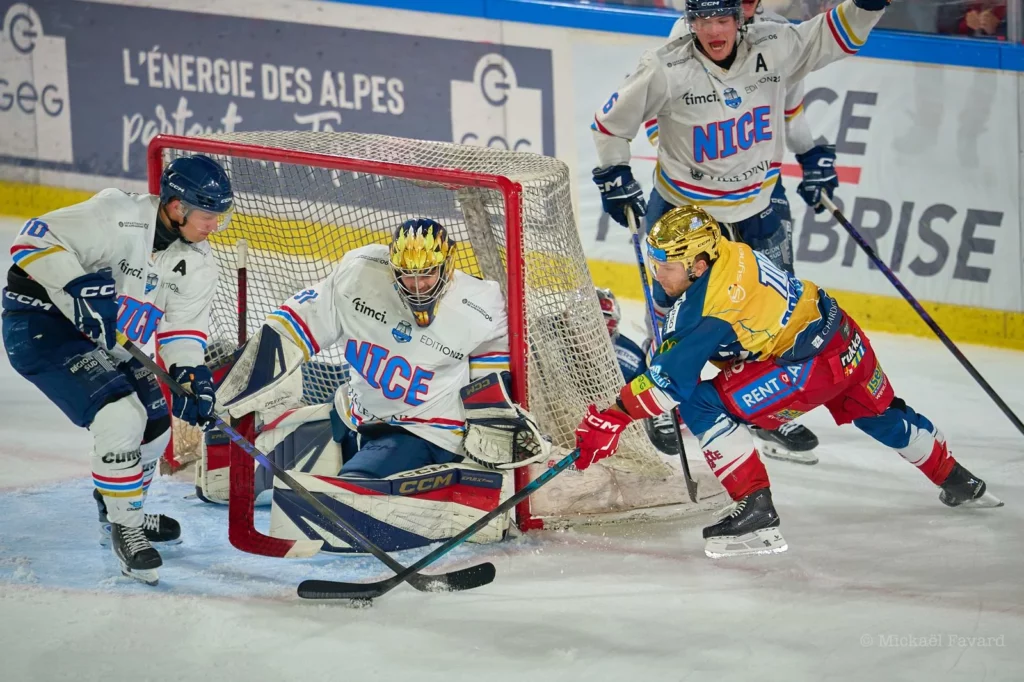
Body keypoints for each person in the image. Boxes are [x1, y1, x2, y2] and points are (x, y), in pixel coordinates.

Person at [573, 206, 1003, 559]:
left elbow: (669, 387)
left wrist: (612, 417)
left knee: (701, 405)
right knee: (882, 415)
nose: (657, 275)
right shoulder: (729, 248)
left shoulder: (706, 305)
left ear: (699, 264)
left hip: (805, 367)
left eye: (666, 266)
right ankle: (959, 479)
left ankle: (756, 509)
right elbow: (740, 328)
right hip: (843, 335)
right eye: (654, 264)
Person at [213, 219, 549, 548]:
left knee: (345, 497)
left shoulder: (481, 304)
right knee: (238, 473)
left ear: (446, 267)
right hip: (357, 416)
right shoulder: (358, 275)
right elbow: (295, 325)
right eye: (407, 275)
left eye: (427, 274)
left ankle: (383, 488)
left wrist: (492, 406)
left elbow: (495, 356)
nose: (417, 286)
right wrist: (232, 389)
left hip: (424, 431)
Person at [2, 155, 233, 584]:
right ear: (177, 206)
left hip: (102, 337)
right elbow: (32, 238)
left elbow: (182, 331)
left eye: (221, 216)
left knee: (158, 421)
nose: (214, 226)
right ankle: (127, 527)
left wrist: (190, 375)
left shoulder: (198, 262)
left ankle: (118, 506)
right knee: (120, 415)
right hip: (41, 326)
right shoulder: (117, 214)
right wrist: (74, 286)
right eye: (207, 215)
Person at [656, 0, 840, 462]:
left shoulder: (776, 39)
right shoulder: (687, 41)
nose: (739, 11)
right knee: (679, 296)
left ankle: (764, 404)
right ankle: (663, 396)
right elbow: (660, 123)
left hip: (758, 188)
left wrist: (813, 154)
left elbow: (789, 113)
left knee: (775, 296)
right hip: (696, 191)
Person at [598, 286, 681, 455]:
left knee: (668, 344)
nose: (599, 323)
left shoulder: (630, 356)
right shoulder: (553, 339)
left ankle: (662, 402)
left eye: (604, 317)